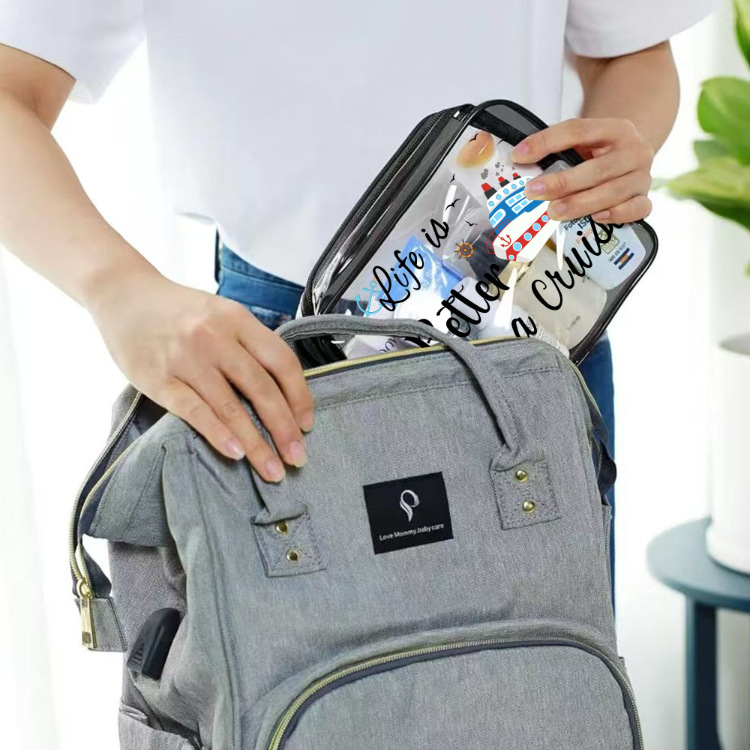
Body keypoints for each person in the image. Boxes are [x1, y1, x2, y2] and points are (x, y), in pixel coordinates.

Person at [0, 3, 713, 492]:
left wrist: (612, 150)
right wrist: (118, 288)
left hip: (524, 311)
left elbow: (629, 50)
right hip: (274, 344)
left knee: (554, 667)